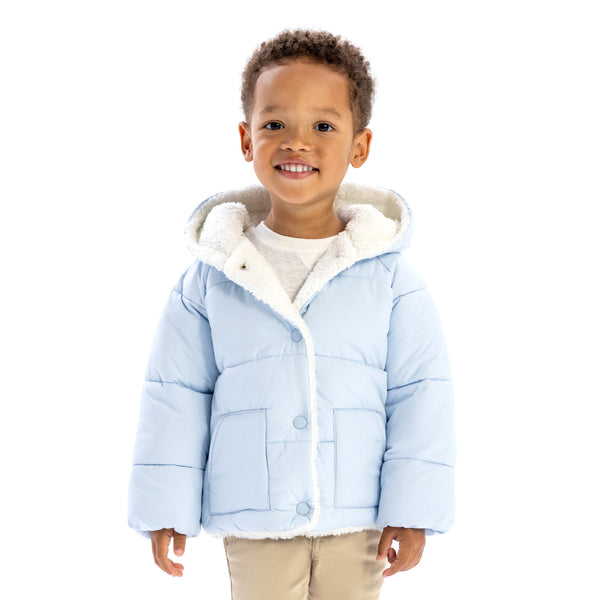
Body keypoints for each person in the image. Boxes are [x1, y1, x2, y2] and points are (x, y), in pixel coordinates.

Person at [128, 28, 456, 600]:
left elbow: (420, 396)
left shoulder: (393, 280)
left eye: (323, 127)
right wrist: (166, 506)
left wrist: (413, 508)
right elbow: (176, 395)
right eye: (275, 124)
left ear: (359, 146)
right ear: (246, 138)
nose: (296, 143)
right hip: (255, 514)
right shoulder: (210, 278)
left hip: (360, 517)